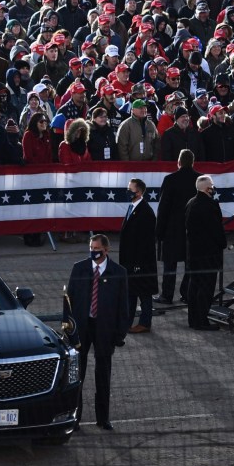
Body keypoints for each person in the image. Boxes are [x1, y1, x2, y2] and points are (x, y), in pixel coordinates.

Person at [64, 234, 130, 431]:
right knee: (77, 375)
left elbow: (123, 306)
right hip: (82, 329)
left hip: (104, 329)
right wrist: (68, 328)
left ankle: (103, 418)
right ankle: (75, 418)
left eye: (97, 249)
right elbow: (69, 300)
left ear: (106, 250)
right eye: (91, 248)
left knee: (103, 375)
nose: (93, 252)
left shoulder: (118, 272)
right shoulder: (79, 268)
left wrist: (120, 334)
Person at [155, 149, 200, 305]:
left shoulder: (170, 180)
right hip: (192, 229)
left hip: (172, 229)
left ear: (178, 162)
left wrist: (158, 231)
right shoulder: (199, 179)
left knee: (170, 264)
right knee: (190, 264)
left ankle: (167, 295)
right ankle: (186, 293)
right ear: (193, 162)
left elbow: (163, 208)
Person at [184, 174, 226, 331]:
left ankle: (193, 319)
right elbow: (217, 230)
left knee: (193, 286)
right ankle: (202, 320)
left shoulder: (190, 203)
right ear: (208, 189)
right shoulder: (210, 205)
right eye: (212, 186)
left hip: (193, 253)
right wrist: (222, 244)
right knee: (206, 288)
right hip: (209, 255)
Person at [120, 178, 158, 334]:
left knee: (144, 293)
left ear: (140, 192)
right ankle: (127, 322)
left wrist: (138, 264)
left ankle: (145, 323)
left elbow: (146, 241)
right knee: (131, 292)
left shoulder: (145, 212)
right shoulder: (133, 207)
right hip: (130, 260)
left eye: (131, 189)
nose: (128, 192)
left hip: (140, 262)